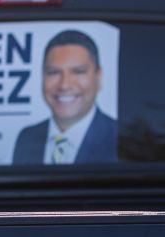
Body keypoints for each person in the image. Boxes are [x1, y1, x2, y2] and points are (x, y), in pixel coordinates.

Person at [12, 30, 117, 164]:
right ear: (42, 76)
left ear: (98, 77)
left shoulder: (120, 138)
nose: (64, 85)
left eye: (78, 71)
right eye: (54, 72)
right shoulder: (27, 138)